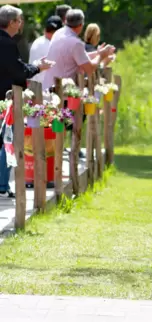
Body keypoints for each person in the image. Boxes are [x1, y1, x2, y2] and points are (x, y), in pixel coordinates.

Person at [0, 5, 54, 198]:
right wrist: (38, 68)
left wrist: (34, 66)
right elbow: (18, 71)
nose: (21, 24)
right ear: (12, 22)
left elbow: (17, 66)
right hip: (4, 101)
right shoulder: (6, 43)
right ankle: (2, 185)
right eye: (19, 20)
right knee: (6, 141)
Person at [42, 9, 115, 91]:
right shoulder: (76, 43)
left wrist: (98, 53)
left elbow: (79, 57)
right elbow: (89, 69)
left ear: (66, 21)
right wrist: (101, 56)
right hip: (61, 93)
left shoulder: (58, 33)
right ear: (81, 24)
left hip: (48, 89)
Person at [29, 15, 63, 84]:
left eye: (53, 31)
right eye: (48, 30)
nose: (50, 33)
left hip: (38, 86)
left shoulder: (40, 40)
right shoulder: (45, 44)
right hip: (42, 88)